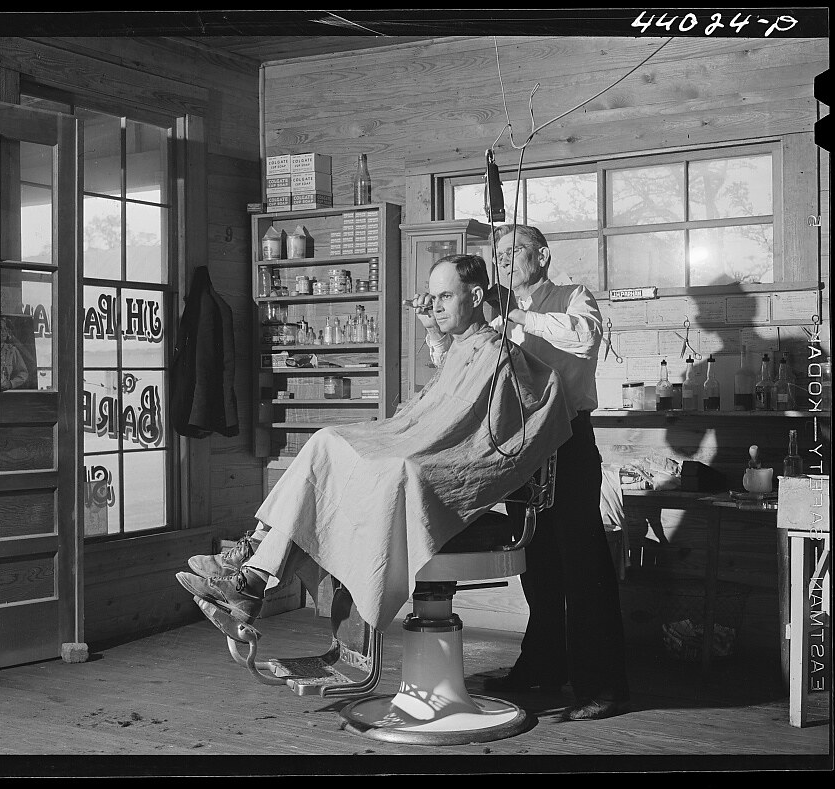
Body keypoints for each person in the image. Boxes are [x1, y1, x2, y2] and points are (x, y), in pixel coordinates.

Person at [176, 253, 572, 638]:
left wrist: (417, 450)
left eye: (445, 297)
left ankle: (251, 573)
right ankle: (252, 572)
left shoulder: (497, 353)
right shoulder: (461, 350)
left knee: (391, 472)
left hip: (439, 488)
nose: (435, 307)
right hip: (418, 457)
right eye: (432, 298)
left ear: (475, 296)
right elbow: (426, 415)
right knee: (327, 442)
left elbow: (491, 440)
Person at [417, 224, 629, 722]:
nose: (506, 259)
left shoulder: (572, 297)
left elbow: (585, 338)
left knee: (583, 564)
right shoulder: (497, 304)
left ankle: (603, 686)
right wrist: (436, 327)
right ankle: (543, 668)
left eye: (516, 250)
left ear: (543, 255)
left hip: (570, 440)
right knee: (537, 566)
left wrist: (515, 321)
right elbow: (460, 362)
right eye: (499, 252)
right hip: (520, 444)